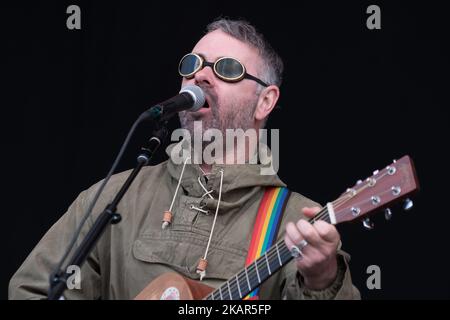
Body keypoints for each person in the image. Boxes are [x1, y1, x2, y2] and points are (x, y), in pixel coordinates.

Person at [9, 18, 360, 300]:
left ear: (265, 101)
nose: (200, 75)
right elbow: (33, 289)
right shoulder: (116, 197)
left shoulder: (297, 222)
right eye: (192, 64)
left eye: (226, 68)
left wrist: (323, 280)